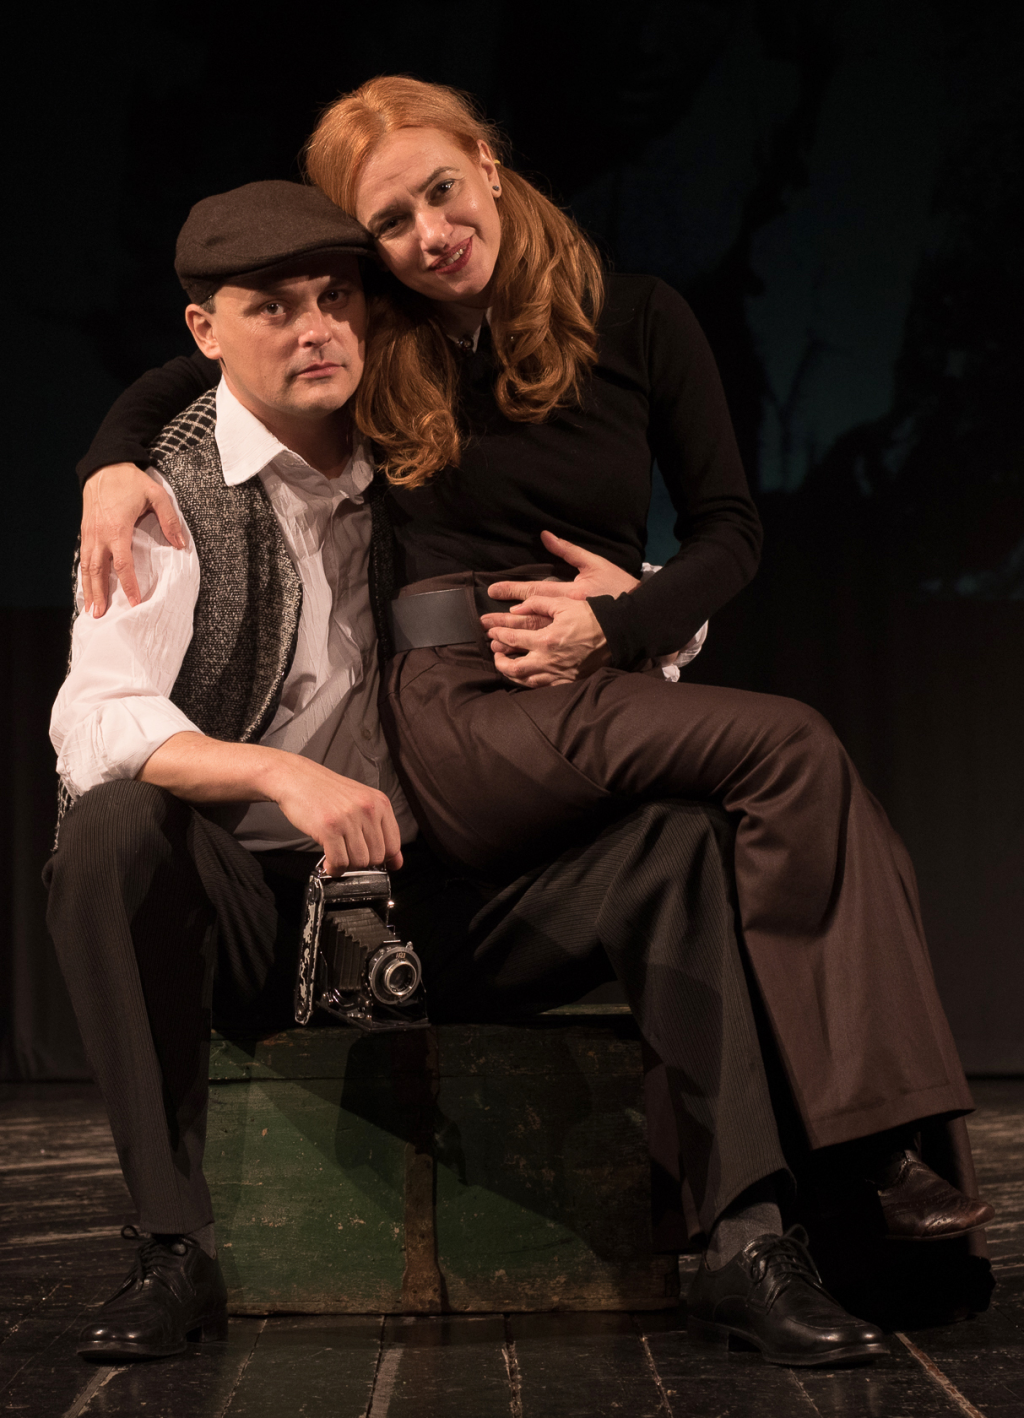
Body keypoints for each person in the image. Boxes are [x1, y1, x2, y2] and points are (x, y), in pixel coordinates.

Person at [71, 79, 992, 1356]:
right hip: (294, 869)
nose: (320, 324)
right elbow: (97, 702)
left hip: (465, 855)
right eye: (384, 228)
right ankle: (173, 1247)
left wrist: (637, 614)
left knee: (683, 841)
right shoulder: (215, 467)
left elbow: (714, 530)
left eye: (336, 293)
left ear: (488, 167)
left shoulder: (515, 348)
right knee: (111, 826)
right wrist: (111, 463)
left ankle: (753, 1235)